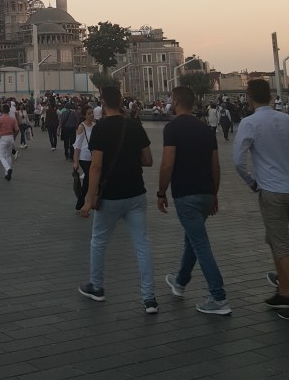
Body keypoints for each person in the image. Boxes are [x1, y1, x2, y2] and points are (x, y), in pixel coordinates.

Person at [78, 85, 158, 314]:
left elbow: (95, 167)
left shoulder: (101, 129)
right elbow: (148, 160)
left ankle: (97, 286)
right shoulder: (134, 126)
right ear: (121, 101)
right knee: (141, 243)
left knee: (99, 241)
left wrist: (88, 199)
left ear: (103, 103)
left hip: (110, 196)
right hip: (136, 193)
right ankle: (149, 298)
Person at [157, 86, 231, 316]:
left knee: (200, 243)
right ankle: (180, 282)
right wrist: (214, 193)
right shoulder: (206, 130)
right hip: (206, 193)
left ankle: (218, 297)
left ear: (176, 101)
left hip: (186, 194)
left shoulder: (172, 128)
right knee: (193, 238)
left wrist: (161, 192)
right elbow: (215, 165)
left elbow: (167, 164)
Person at [233, 78, 289, 319]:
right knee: (275, 241)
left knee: (281, 245)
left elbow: (238, 160)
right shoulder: (286, 119)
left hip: (271, 191)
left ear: (249, 97)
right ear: (270, 95)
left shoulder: (250, 123)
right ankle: (283, 289)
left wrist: (251, 182)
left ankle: (288, 294)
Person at [73, 106, 95, 212]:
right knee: (89, 177)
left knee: (89, 178)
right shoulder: (81, 126)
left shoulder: (95, 125)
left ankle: (82, 201)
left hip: (93, 157)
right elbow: (77, 145)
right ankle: (82, 201)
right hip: (84, 157)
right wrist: (76, 161)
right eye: (89, 113)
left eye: (92, 112)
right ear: (84, 115)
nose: (91, 115)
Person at [0, 104, 19, 181]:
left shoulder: (0, 119)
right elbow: (17, 129)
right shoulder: (12, 119)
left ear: (2, 110)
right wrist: (14, 136)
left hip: (3, 137)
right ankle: (7, 174)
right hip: (11, 137)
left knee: (1, 155)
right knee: (8, 155)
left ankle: (8, 169)